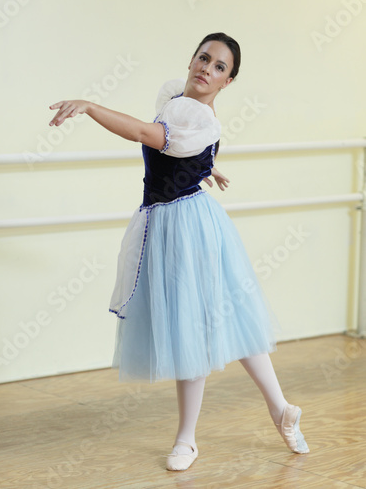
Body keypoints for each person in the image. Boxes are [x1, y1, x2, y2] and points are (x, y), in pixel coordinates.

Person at [48, 32, 309, 472]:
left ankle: (188, 440)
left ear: (228, 82)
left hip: (187, 227)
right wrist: (207, 167)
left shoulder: (201, 118)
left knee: (198, 324)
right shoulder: (176, 97)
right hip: (173, 220)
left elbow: (145, 132)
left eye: (220, 67)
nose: (207, 68)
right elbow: (180, 142)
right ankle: (281, 409)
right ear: (191, 60)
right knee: (223, 317)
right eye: (203, 58)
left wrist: (90, 106)